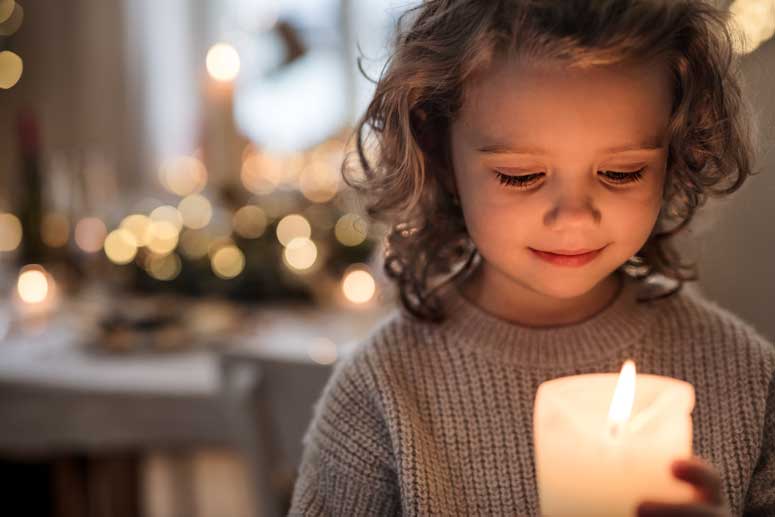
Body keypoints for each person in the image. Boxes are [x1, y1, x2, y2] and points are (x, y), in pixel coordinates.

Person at [287, 1, 773, 515]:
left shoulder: (746, 380)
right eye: (521, 176)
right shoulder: (382, 395)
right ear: (438, 151)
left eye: (623, 172)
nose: (574, 217)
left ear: (675, 154)